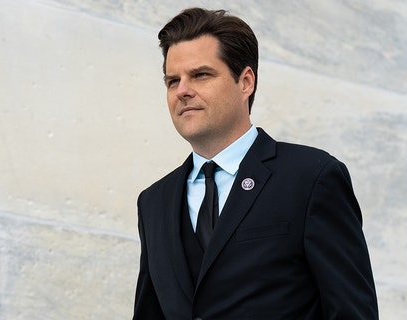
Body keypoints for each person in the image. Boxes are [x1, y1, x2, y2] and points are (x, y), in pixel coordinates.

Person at [133, 7, 378, 319]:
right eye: (172, 80)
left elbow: (352, 312)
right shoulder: (154, 202)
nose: (182, 91)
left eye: (201, 75)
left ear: (245, 82)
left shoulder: (311, 178)